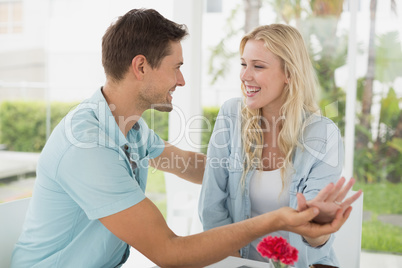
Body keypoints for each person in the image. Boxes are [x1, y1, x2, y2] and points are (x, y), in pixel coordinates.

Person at [12, 10, 356, 268]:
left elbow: (186, 163)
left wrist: (238, 174)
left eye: (259, 66)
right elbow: (169, 252)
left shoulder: (126, 126)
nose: (182, 80)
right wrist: (276, 218)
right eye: (175, 67)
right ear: (141, 67)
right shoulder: (88, 146)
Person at [199, 24, 362, 268]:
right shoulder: (231, 115)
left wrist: (318, 227)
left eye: (258, 66)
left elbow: (314, 240)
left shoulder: (322, 133)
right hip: (236, 261)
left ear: (290, 73)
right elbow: (212, 207)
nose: (245, 76)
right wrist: (235, 262)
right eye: (243, 64)